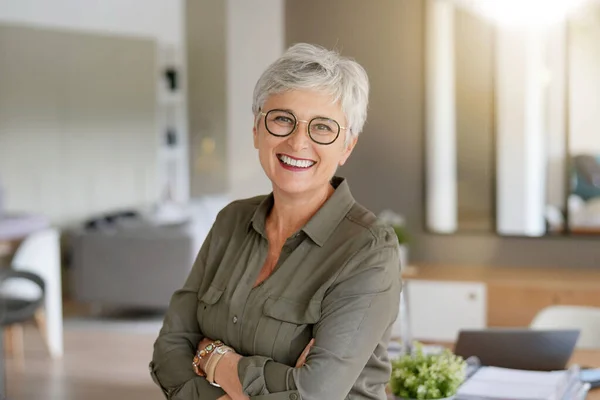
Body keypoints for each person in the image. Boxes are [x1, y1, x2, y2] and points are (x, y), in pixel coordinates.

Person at [150, 43, 402, 400]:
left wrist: (213, 358)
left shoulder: (369, 249)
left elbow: (315, 393)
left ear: (346, 146)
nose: (299, 142)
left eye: (323, 127)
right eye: (283, 119)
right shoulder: (230, 221)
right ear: (257, 130)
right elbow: (170, 348)